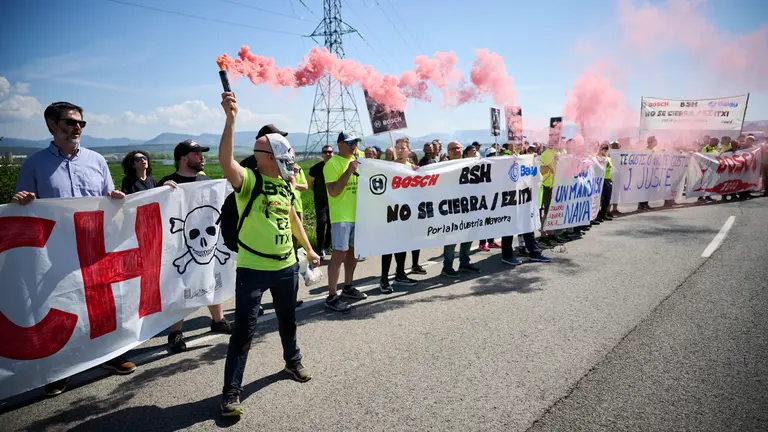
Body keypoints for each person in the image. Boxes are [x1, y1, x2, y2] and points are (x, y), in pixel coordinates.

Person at [13, 101, 136, 396]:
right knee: (61, 307)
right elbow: (22, 209)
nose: (77, 128)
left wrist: (116, 197)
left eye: (81, 123)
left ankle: (110, 355)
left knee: (102, 305)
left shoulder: (97, 161)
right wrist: (21, 199)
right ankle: (60, 370)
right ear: (52, 126)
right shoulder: (34, 164)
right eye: (70, 122)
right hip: (56, 252)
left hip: (94, 247)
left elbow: (108, 199)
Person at [217, 91, 320, 417]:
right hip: (253, 269)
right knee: (245, 332)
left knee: (288, 321)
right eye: (285, 155)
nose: (292, 161)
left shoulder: (287, 184)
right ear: (267, 157)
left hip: (287, 266)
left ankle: (293, 362)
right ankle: (231, 393)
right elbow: (226, 162)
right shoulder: (248, 181)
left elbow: (291, 218)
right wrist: (231, 120)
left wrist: (309, 248)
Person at [159, 139, 233, 353]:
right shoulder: (168, 182)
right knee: (180, 286)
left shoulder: (205, 180)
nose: (202, 157)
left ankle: (218, 320)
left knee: (211, 277)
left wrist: (223, 187)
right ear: (183, 158)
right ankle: (175, 332)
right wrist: (162, 192)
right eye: (197, 153)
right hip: (179, 246)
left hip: (207, 243)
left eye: (202, 153)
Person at [323, 131, 367, 312]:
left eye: (355, 142)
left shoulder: (362, 158)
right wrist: (349, 171)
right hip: (341, 216)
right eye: (350, 143)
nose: (353, 146)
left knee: (353, 252)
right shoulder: (332, 163)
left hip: (359, 214)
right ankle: (332, 295)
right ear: (340, 144)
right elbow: (333, 191)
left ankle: (348, 287)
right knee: (339, 254)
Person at [379, 138, 425, 293]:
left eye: (403, 148)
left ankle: (400, 274)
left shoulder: (413, 169)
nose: (399, 150)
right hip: (390, 212)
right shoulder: (388, 167)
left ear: (409, 151)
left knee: (402, 244)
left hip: (406, 213)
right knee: (388, 246)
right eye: (397, 147)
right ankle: (384, 279)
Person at [441, 141, 480, 278]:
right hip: (451, 208)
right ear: (448, 151)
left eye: (458, 148)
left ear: (462, 149)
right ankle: (447, 266)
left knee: (468, 235)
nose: (456, 150)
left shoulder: (469, 164)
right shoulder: (442, 166)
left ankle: (464, 262)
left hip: (468, 206)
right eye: (453, 148)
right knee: (451, 237)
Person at [308, 145, 334, 259]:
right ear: (322, 154)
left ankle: (328, 246)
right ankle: (320, 248)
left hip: (334, 200)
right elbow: (310, 184)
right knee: (322, 222)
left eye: (330, 152)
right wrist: (317, 191)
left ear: (333, 153)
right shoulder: (315, 168)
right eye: (325, 152)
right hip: (321, 201)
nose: (328, 154)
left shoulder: (335, 167)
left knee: (331, 224)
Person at [637, 136, 657, 211]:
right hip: (645, 173)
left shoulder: (655, 150)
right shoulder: (645, 150)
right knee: (644, 189)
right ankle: (641, 204)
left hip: (652, 173)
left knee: (649, 189)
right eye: (655, 141)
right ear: (651, 142)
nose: (656, 142)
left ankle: (646, 203)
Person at [596, 144, 613, 222]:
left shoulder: (609, 159)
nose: (605, 151)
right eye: (604, 149)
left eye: (607, 150)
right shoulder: (598, 158)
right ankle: (598, 215)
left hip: (608, 180)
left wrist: (611, 179)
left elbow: (611, 170)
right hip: (601, 180)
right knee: (600, 198)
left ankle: (604, 214)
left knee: (607, 198)